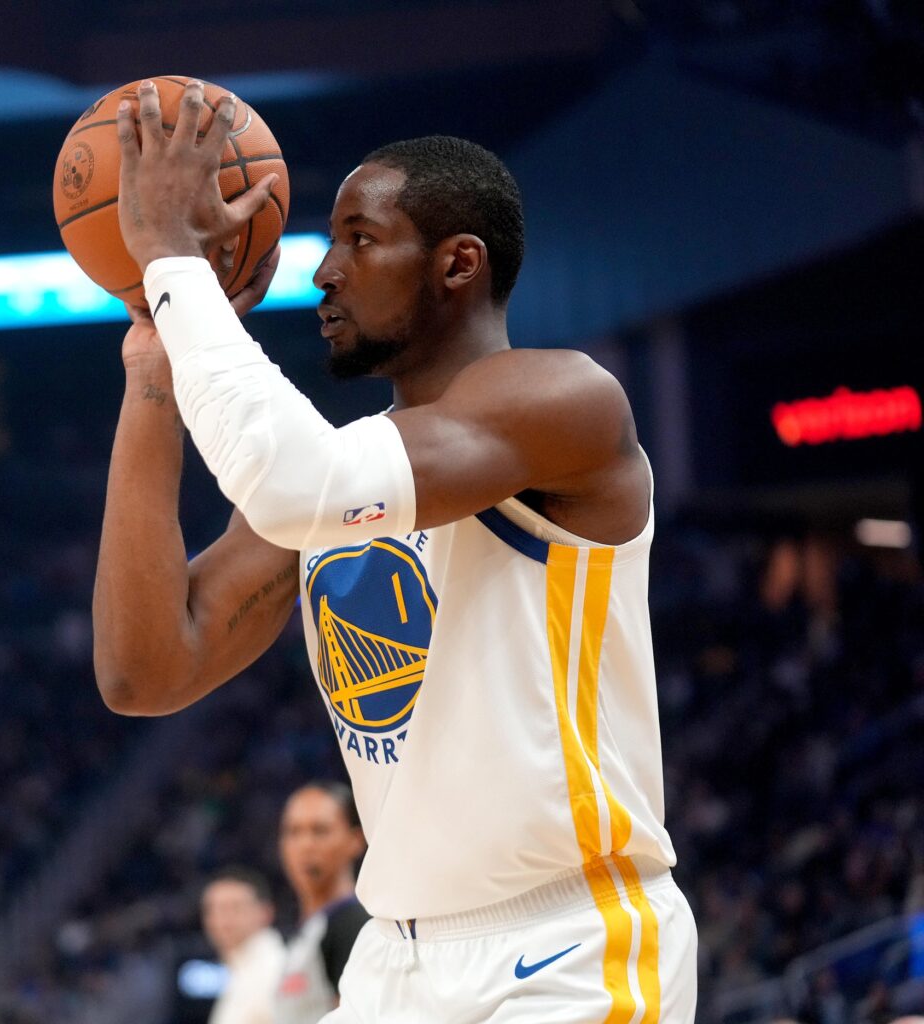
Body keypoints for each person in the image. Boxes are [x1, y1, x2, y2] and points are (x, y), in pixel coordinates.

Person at [92, 78, 698, 1022]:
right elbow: (145, 669)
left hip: (568, 946)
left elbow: (299, 478)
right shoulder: (339, 486)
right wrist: (154, 366)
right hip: (396, 961)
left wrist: (173, 256)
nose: (323, 271)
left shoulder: (564, 402)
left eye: (360, 239)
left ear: (458, 264)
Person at [276, 782, 370, 1024]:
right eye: (293, 831)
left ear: (355, 840)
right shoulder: (309, 928)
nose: (306, 845)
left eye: (320, 830)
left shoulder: (355, 926)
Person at [202, 867, 288, 1024]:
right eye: (214, 909)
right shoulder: (242, 970)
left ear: (266, 913)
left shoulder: (273, 969)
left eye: (235, 907)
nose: (223, 919)